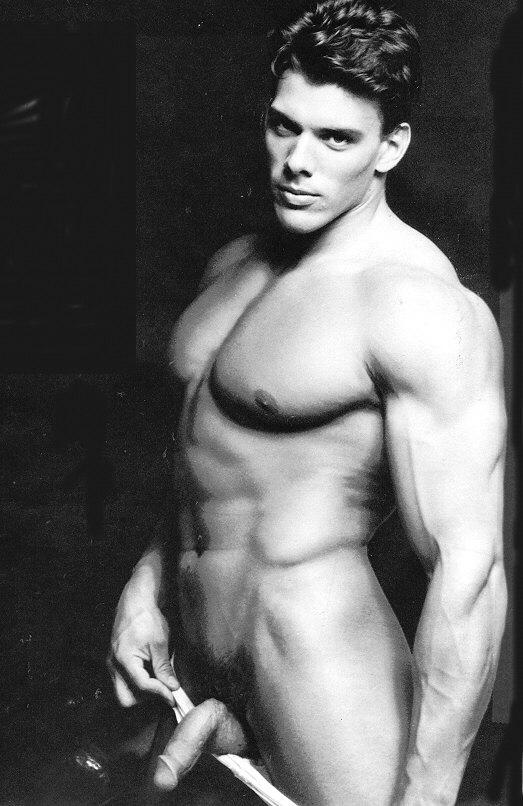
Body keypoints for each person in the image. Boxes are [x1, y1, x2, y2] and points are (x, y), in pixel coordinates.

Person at [107, 1, 508, 803]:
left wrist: (429, 794)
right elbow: (208, 458)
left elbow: (468, 571)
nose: (297, 161)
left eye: (335, 139)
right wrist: (146, 585)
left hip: (316, 663)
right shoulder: (234, 264)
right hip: (195, 649)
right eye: (283, 127)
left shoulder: (414, 305)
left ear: (390, 146)